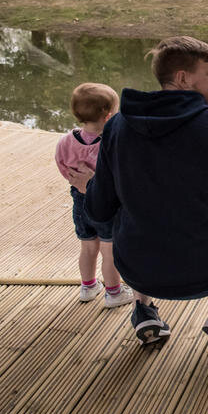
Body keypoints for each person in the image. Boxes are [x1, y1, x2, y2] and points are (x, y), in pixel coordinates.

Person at [85, 36, 208, 350]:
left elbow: (98, 210)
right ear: (183, 78)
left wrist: (89, 185)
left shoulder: (117, 126)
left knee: (126, 217)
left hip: (136, 270)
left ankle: (143, 310)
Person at [55, 83, 134, 308]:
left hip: (79, 201)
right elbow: (118, 174)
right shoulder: (110, 142)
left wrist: (77, 184)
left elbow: (62, 165)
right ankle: (114, 293)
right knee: (109, 250)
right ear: (108, 116)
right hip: (105, 204)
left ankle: (88, 287)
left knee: (88, 247)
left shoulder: (66, 141)